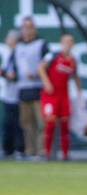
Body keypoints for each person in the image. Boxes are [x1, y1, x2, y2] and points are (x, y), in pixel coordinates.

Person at [38, 34, 81, 161]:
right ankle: (47, 152)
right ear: (61, 42)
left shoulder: (73, 60)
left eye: (71, 41)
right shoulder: (53, 55)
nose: (68, 44)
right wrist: (46, 82)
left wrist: (80, 93)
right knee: (50, 123)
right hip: (50, 95)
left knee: (65, 124)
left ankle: (65, 154)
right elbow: (40, 67)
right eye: (66, 41)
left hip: (64, 95)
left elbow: (75, 76)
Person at [15, 16, 48, 159]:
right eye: (24, 27)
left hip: (38, 88)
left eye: (30, 27)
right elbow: (14, 67)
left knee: (41, 122)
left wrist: (36, 74)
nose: (27, 30)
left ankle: (41, 152)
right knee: (26, 124)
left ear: (34, 29)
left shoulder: (41, 44)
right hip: (23, 89)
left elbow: (48, 61)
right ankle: (30, 151)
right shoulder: (18, 46)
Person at [0, 30, 24, 158]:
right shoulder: (8, 53)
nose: (6, 40)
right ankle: (7, 149)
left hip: (18, 94)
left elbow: (16, 74)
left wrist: (7, 75)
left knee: (18, 123)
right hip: (8, 94)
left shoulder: (19, 52)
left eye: (9, 38)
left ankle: (20, 148)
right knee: (7, 123)